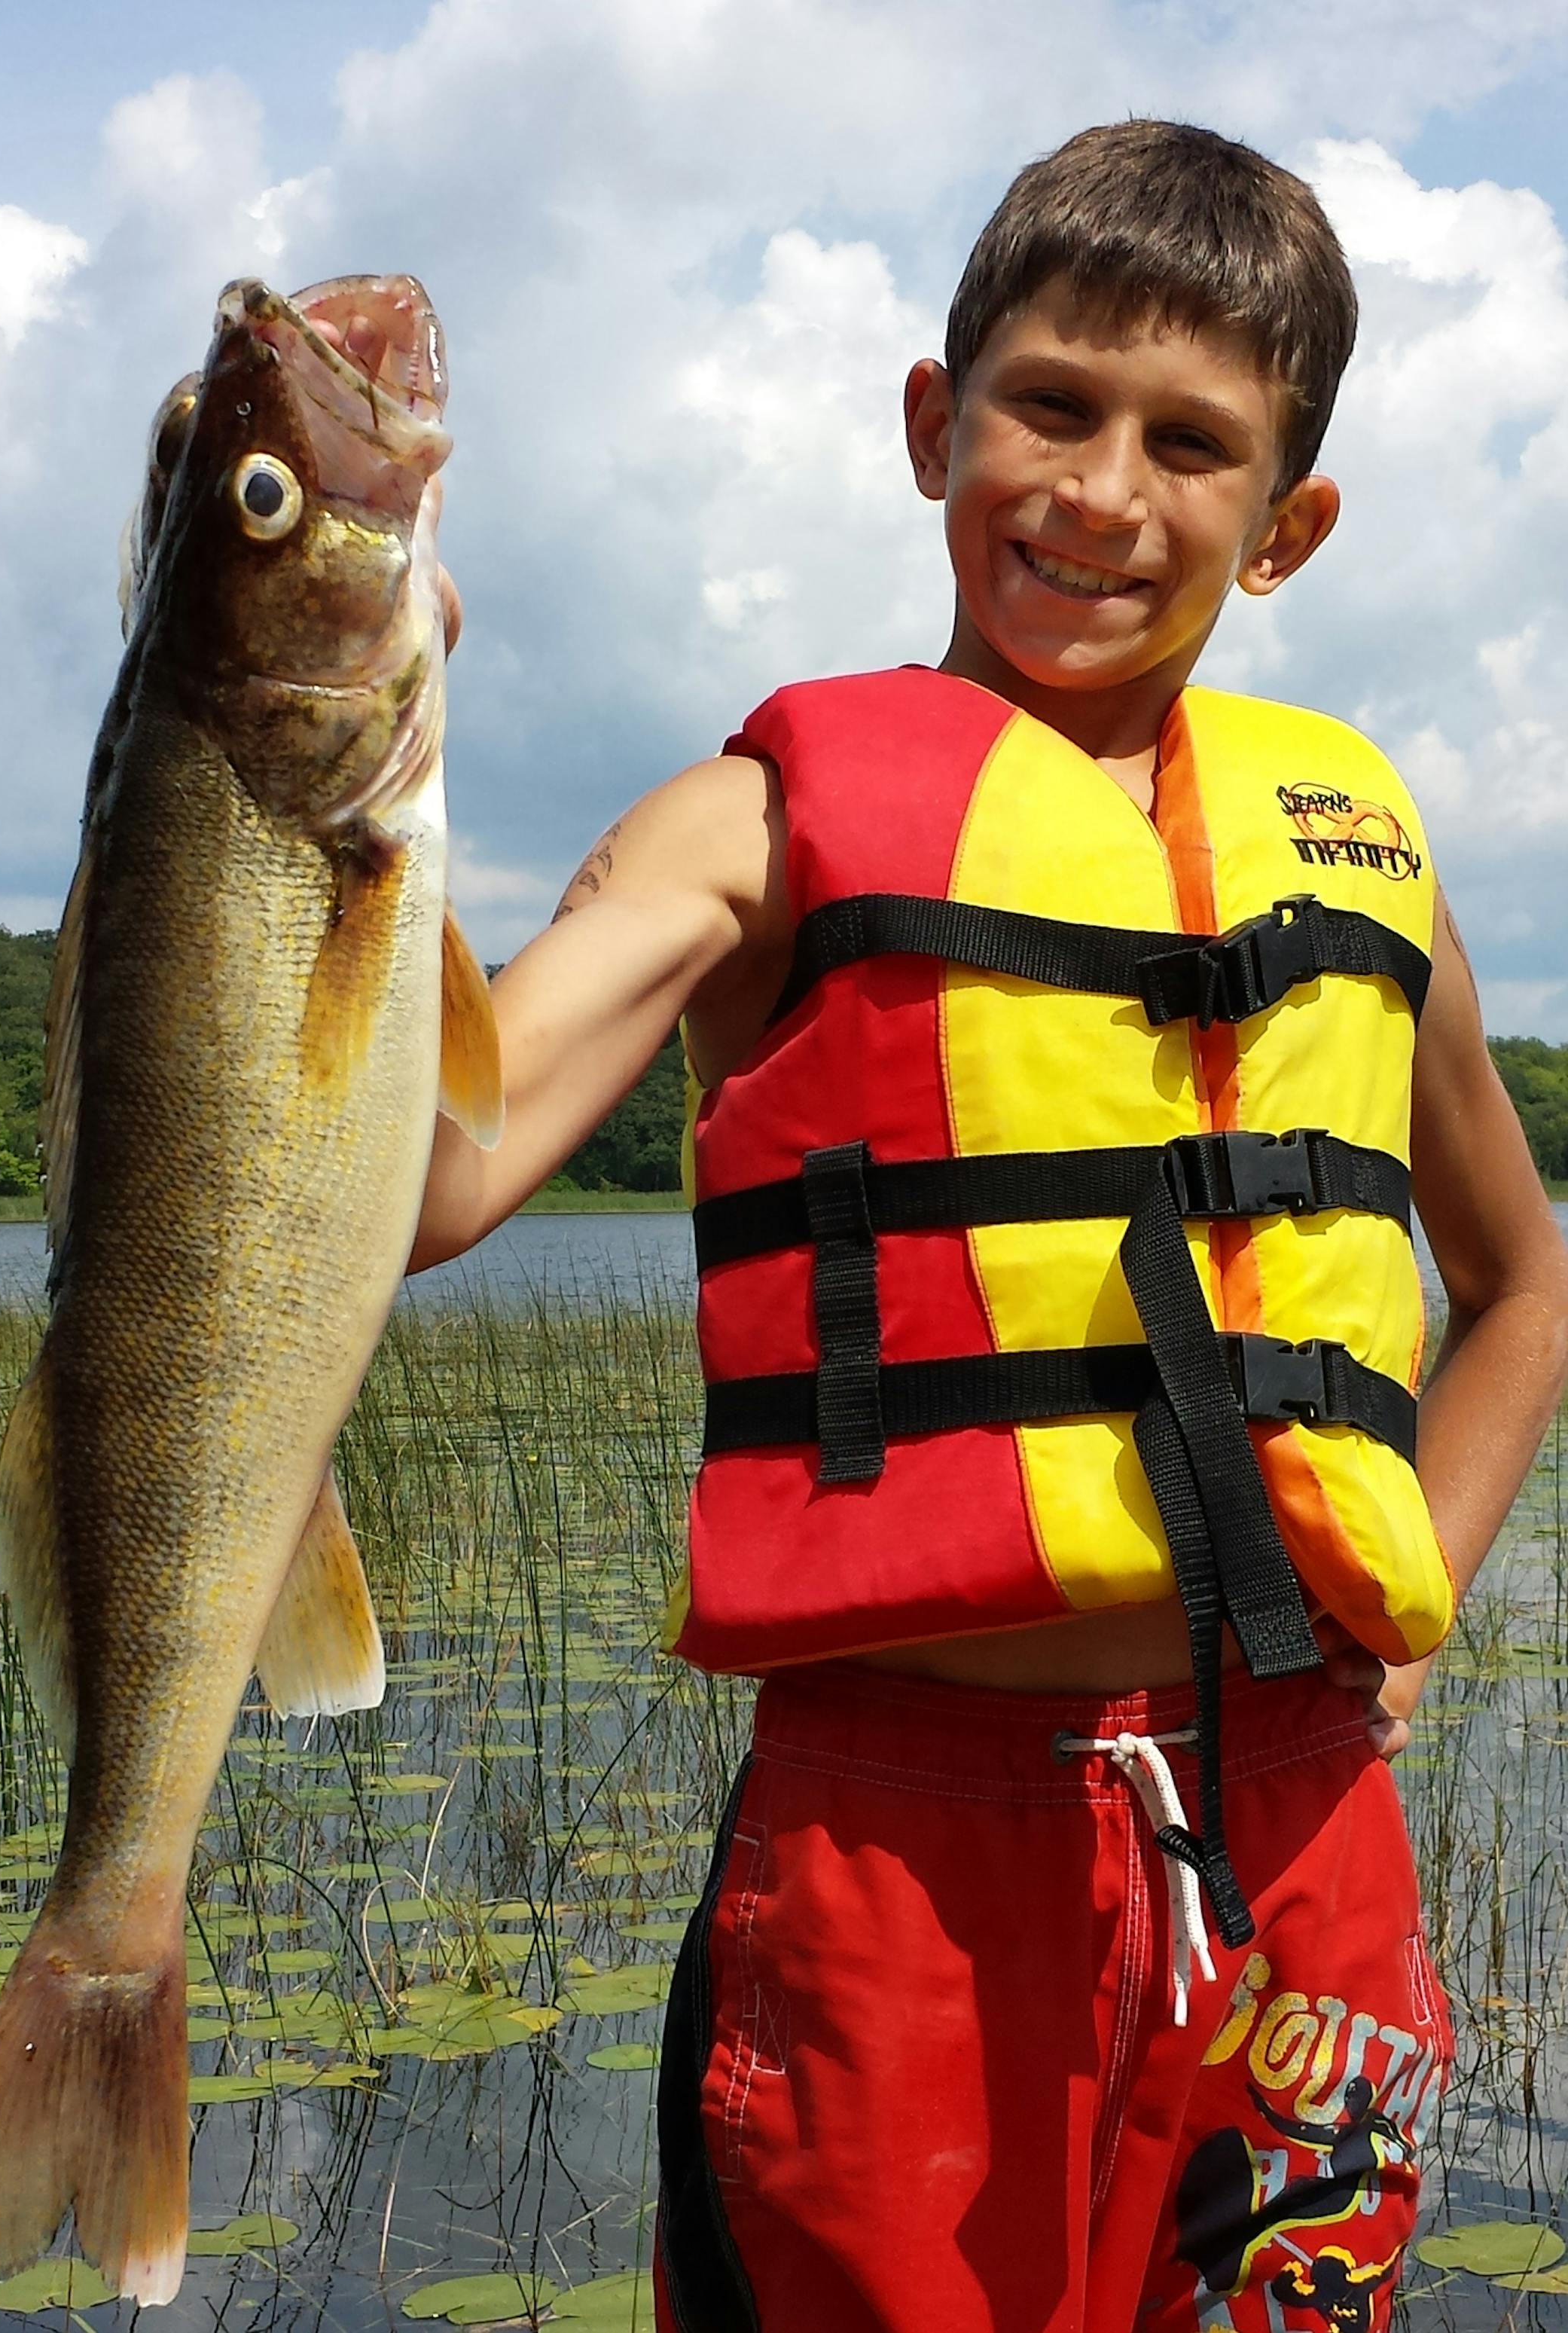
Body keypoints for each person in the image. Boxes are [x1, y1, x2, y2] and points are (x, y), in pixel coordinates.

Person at [408, 121, 1568, 2332]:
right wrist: (325, 777)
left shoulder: (1358, 866)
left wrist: (1414, 1605)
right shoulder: (750, 823)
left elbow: (1521, 1283)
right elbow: (440, 1180)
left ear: (1290, 520)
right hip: (902, 1852)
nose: (1104, 491)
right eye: (1051, 405)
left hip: (1307, 1829)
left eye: (1192, 442)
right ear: (939, 427)